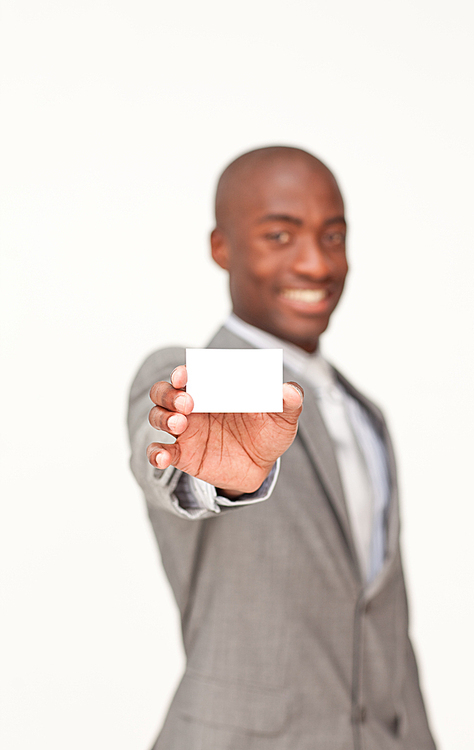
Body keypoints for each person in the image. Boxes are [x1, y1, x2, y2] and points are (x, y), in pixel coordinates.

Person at [128, 146, 437, 749]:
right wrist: (216, 476)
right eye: (279, 235)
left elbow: (383, 623)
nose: (315, 263)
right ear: (222, 248)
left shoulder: (368, 414)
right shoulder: (190, 379)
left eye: (333, 236)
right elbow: (160, 444)